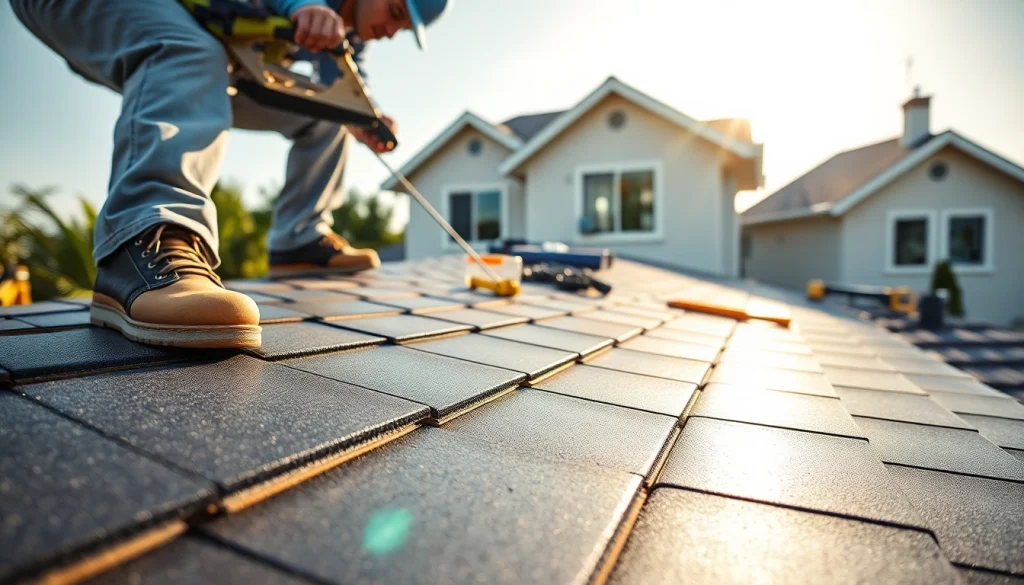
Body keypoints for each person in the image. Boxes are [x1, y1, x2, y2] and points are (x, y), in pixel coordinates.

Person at [9, 0, 452, 349]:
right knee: (187, 51)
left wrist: (365, 115)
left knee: (327, 116)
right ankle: (141, 245)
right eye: (395, 12)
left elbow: (347, 72)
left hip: (205, 34)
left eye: (403, 28)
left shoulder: (349, 28)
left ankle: (301, 240)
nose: (393, 29)